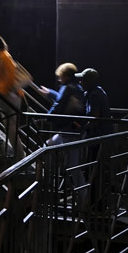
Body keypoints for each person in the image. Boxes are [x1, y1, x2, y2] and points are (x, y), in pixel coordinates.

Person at [40, 63, 86, 191]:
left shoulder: (67, 88)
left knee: (73, 166)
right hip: (73, 129)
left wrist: (48, 116)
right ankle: (50, 181)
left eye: (60, 77)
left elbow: (60, 103)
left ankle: (84, 197)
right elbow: (63, 99)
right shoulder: (77, 87)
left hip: (68, 130)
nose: (59, 80)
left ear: (65, 76)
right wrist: (50, 92)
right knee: (47, 147)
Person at [0, 32, 25, 159]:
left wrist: (2, 92)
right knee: (10, 127)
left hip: (6, 97)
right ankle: (20, 156)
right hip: (10, 97)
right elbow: (5, 76)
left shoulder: (4, 57)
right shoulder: (4, 56)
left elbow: (9, 78)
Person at [77, 68, 113, 139]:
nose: (80, 82)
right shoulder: (98, 90)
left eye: (82, 80)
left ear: (89, 82)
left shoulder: (94, 95)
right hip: (104, 133)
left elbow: (95, 119)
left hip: (99, 135)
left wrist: (81, 129)